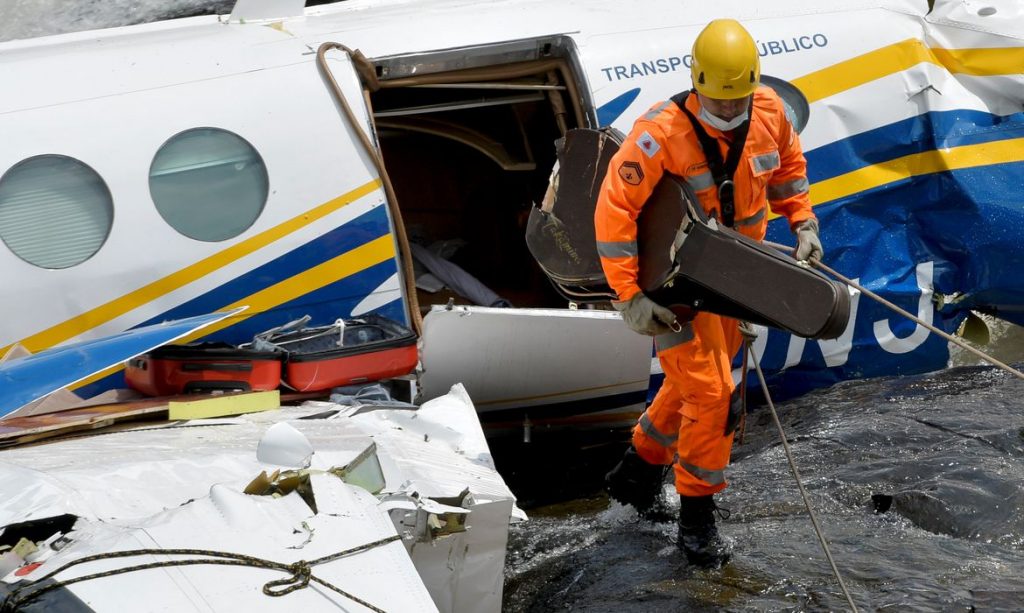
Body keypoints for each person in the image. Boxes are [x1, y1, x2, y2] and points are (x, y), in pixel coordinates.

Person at [594, 18, 823, 568]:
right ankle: (697, 524)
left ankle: (636, 472)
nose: (728, 111)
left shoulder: (770, 115)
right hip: (674, 286)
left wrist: (804, 221)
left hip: (736, 280)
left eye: (737, 100)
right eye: (718, 103)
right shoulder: (658, 135)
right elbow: (614, 212)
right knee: (713, 395)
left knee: (697, 384)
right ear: (696, 83)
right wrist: (629, 297)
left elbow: (789, 170)